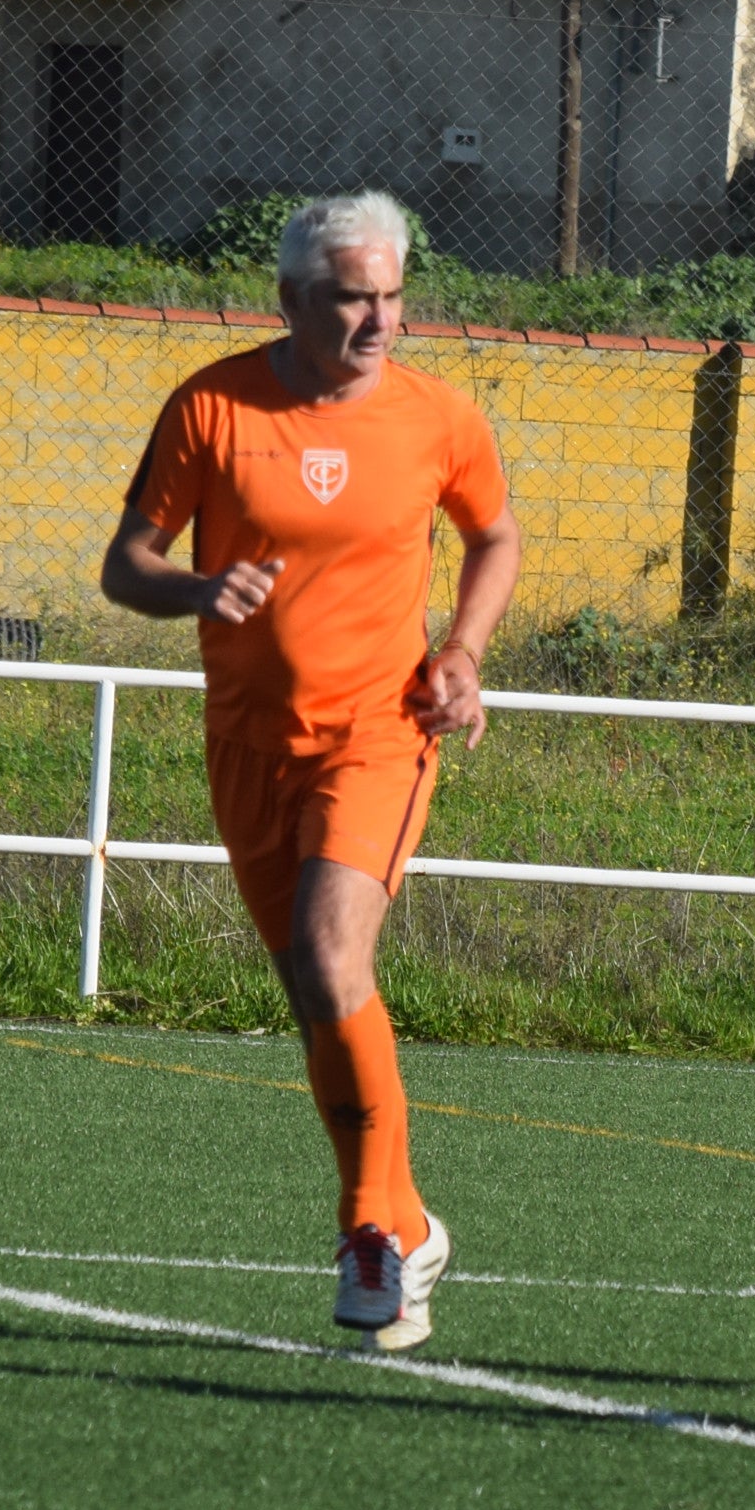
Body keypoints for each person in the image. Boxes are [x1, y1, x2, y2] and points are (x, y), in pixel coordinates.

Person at [103, 191, 521, 1350]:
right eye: (354, 298)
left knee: (338, 957)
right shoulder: (212, 407)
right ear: (290, 299)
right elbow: (124, 564)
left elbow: (495, 535)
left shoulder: (438, 418)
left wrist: (464, 654)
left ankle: (366, 1237)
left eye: (392, 296)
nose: (380, 319)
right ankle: (408, 1219)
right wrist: (193, 588)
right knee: (310, 993)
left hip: (378, 736)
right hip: (245, 743)